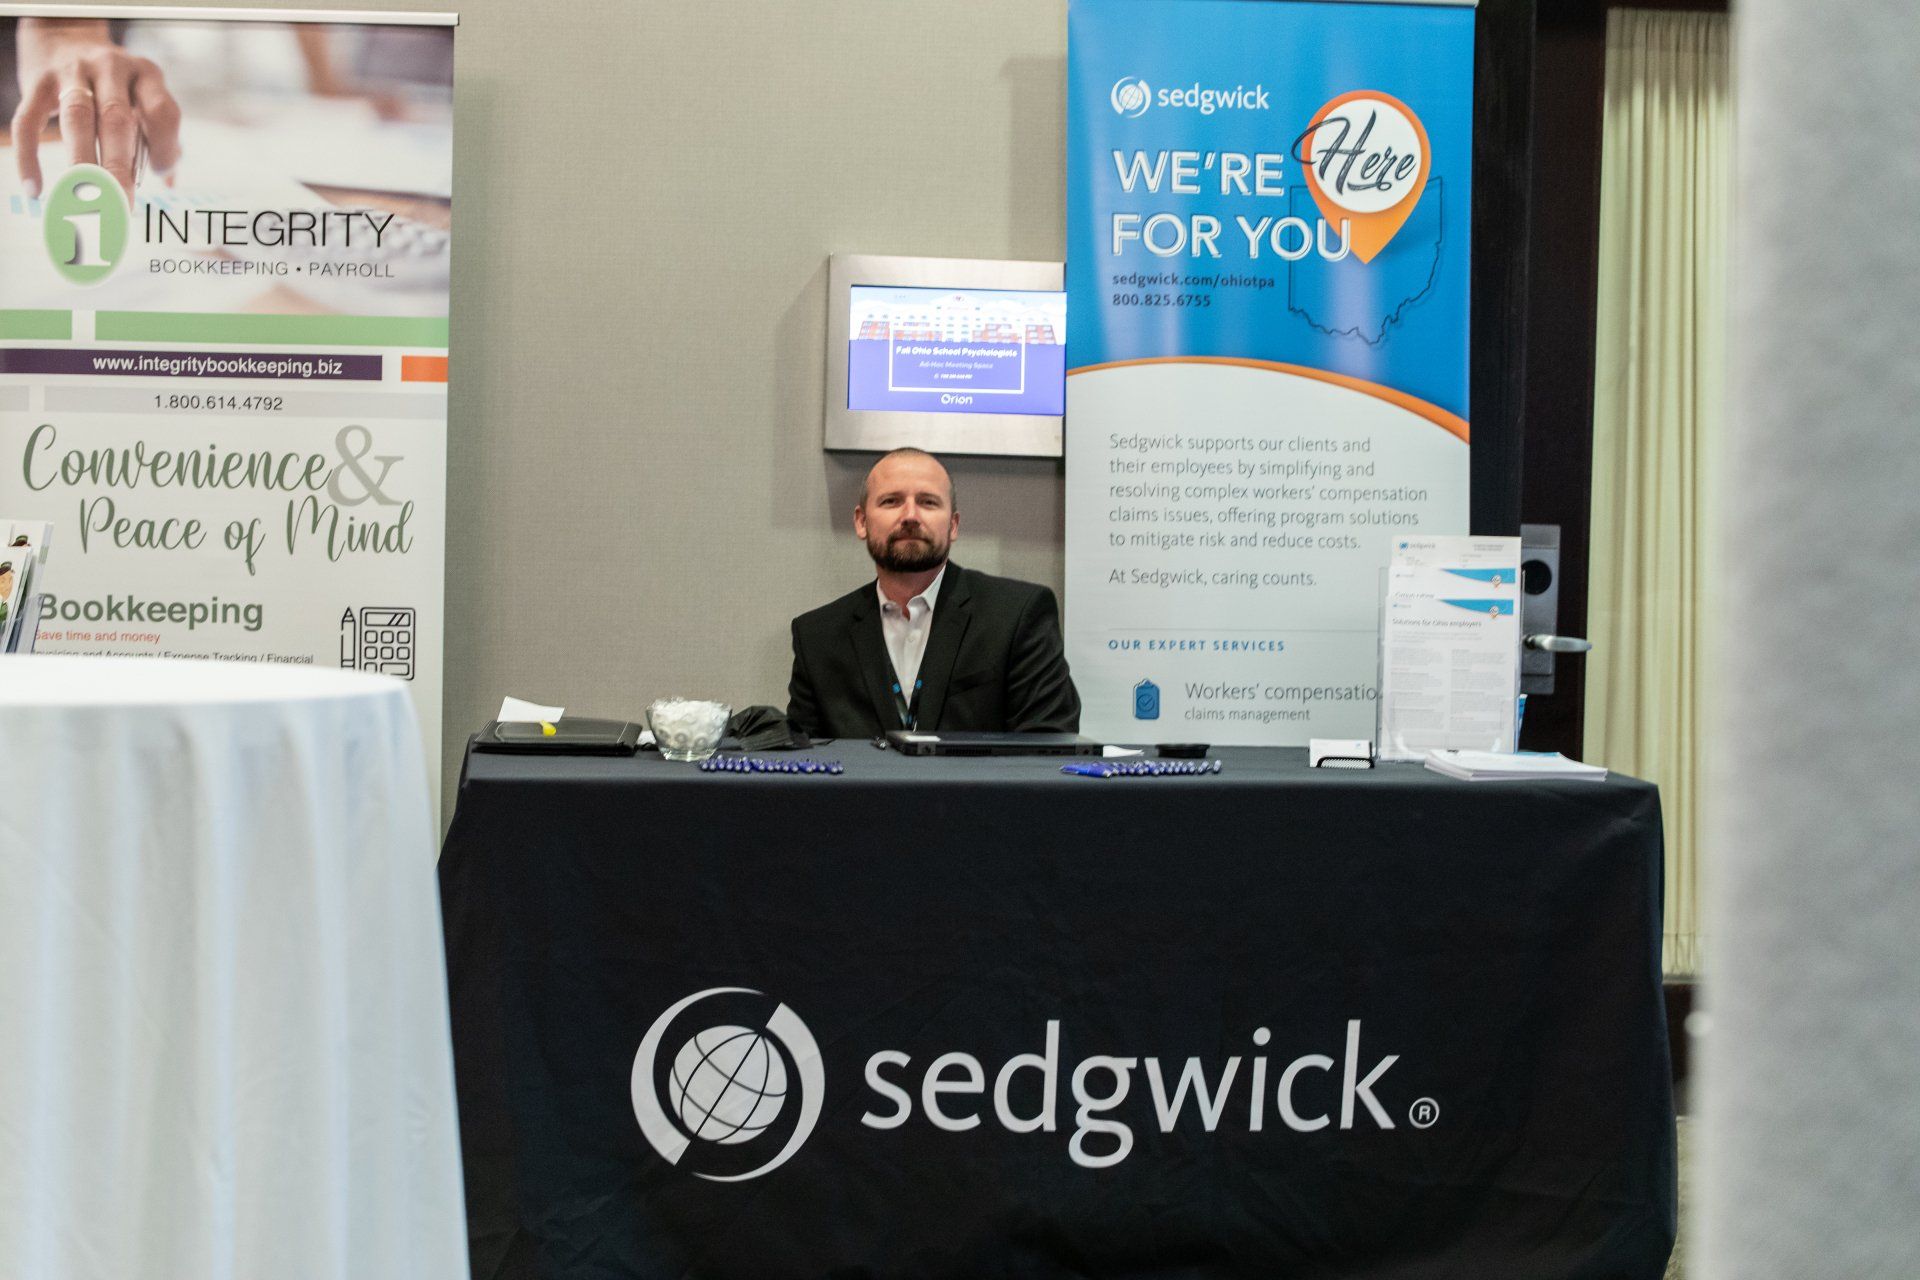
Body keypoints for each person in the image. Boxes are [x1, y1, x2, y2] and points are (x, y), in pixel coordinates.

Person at [787, 448, 1080, 739]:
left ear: (953, 525)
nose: (910, 516)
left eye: (927, 502)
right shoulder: (817, 637)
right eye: (891, 501)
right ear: (862, 522)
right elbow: (804, 760)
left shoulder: (1017, 615)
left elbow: (1049, 745)